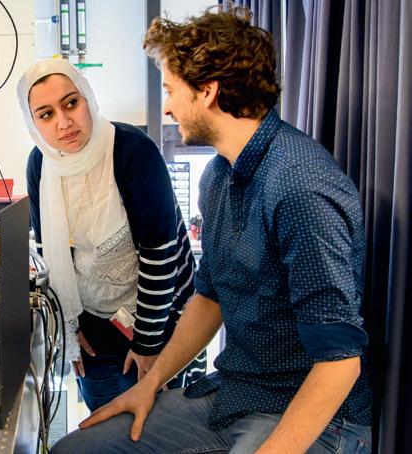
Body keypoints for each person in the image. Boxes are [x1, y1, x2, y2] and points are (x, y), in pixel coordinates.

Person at [50, 7, 373, 454]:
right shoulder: (220, 175)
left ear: (207, 91)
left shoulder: (300, 185)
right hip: (236, 394)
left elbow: (340, 362)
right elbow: (210, 296)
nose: (166, 106)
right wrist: (151, 382)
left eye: (170, 90)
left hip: (312, 417)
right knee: (73, 450)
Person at [20, 59, 206, 412]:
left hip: (158, 315)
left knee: (160, 423)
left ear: (88, 98)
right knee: (106, 424)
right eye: (46, 114)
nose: (63, 122)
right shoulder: (40, 164)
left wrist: (149, 344)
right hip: (93, 323)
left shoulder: (132, 151)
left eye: (71, 103)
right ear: (33, 123)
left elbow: (160, 255)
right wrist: (69, 328)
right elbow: (48, 251)